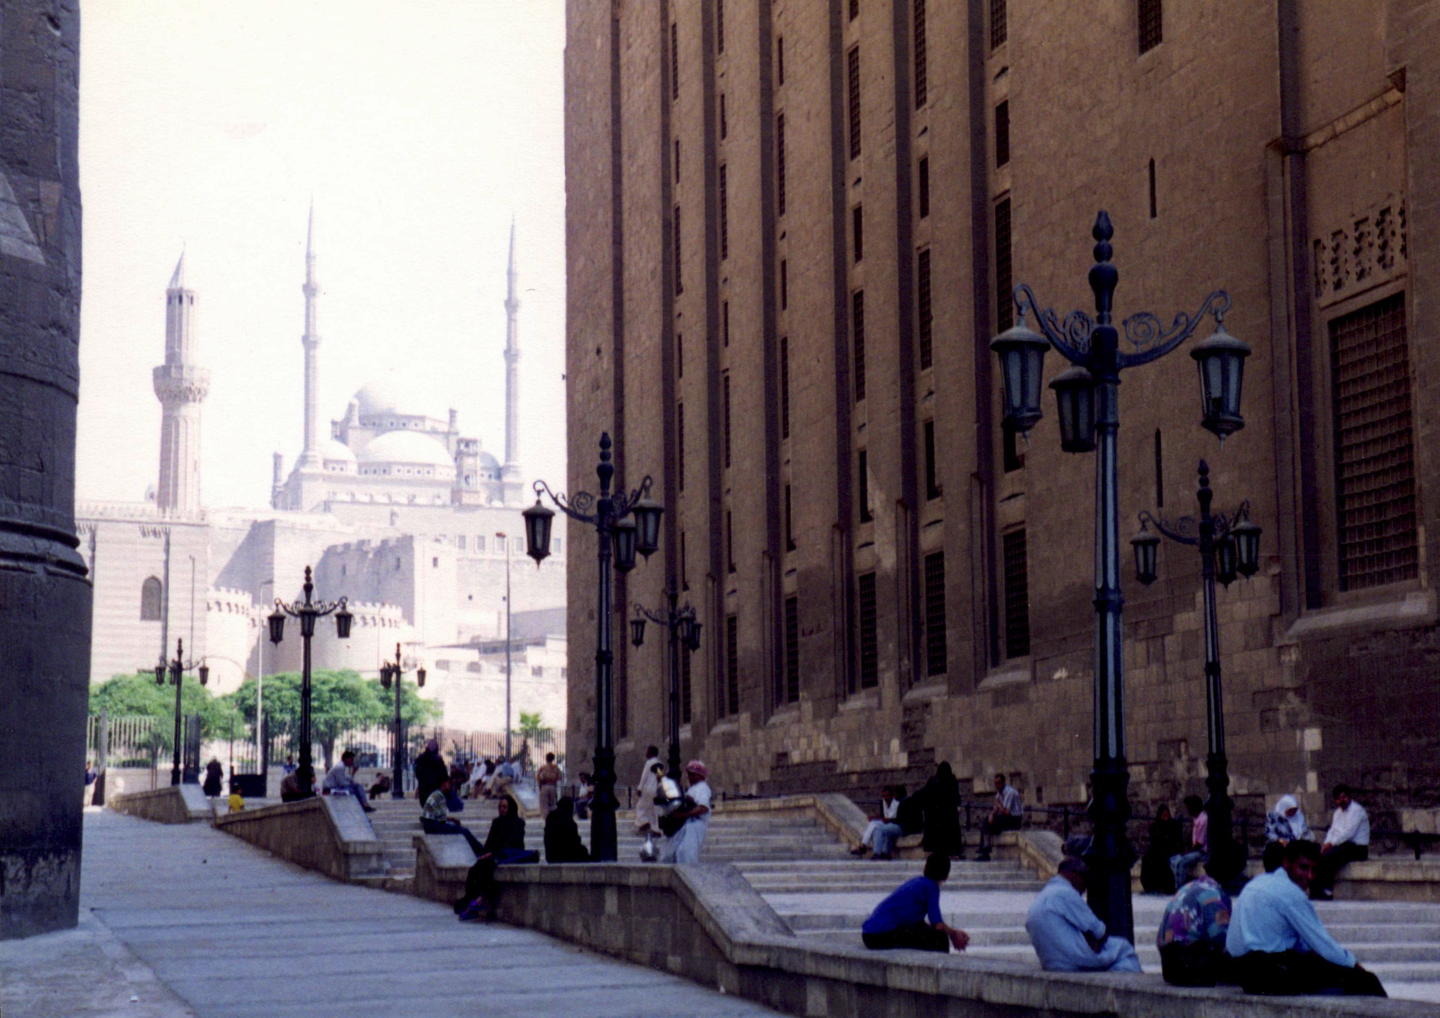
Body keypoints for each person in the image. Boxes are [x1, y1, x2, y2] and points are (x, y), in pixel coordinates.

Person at [1225, 839, 1385, 996]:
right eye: (1303, 868)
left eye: (1313, 870)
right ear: (1287, 863)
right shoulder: (1290, 892)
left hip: (1242, 971)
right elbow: (1321, 942)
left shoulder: (1257, 883)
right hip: (1270, 972)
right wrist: (1354, 965)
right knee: (1367, 981)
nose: (1309, 876)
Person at [1025, 856, 1142, 972]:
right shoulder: (1066, 893)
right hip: (1071, 962)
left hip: (1051, 962)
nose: (1085, 887)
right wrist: (1094, 940)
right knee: (1124, 948)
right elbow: (1098, 930)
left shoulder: (1045, 894)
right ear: (1074, 875)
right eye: (1085, 879)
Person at [861, 853, 970, 952]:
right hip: (881, 935)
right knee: (939, 938)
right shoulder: (931, 887)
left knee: (925, 933)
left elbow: (919, 923)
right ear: (946, 875)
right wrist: (953, 933)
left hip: (869, 935)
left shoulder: (917, 882)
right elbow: (938, 925)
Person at [1156, 855, 1235, 986]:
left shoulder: (1185, 889)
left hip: (1169, 965)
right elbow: (1221, 936)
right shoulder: (1213, 893)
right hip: (1192, 965)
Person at [454, 794, 532, 920]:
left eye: (505, 807)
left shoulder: (518, 823)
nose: (502, 809)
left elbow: (514, 843)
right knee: (475, 869)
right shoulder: (497, 822)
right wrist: (487, 853)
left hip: (509, 855)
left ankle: (479, 900)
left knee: (487, 867)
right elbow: (490, 841)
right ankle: (473, 900)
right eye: (500, 807)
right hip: (494, 855)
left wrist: (495, 853)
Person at [1314, 784, 1369, 901]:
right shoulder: (1337, 813)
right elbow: (1333, 831)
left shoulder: (1357, 810)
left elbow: (1349, 833)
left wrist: (1331, 844)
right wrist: (1326, 843)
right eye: (1339, 799)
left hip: (1358, 848)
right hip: (1343, 845)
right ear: (1335, 800)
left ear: (1349, 797)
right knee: (1319, 854)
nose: (1342, 800)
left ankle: (1327, 890)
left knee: (1331, 856)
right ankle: (1316, 890)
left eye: (1344, 797)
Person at [421, 775, 484, 855]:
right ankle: (480, 852)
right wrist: (453, 821)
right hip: (433, 826)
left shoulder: (436, 794)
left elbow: (440, 816)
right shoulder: (439, 795)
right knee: (464, 831)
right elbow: (441, 819)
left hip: (431, 825)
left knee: (461, 829)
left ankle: (480, 850)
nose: (450, 786)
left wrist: (452, 820)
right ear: (444, 784)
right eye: (449, 783)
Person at [664, 760, 712, 864]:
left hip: (695, 825)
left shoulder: (702, 788)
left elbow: (703, 807)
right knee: (676, 852)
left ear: (700, 776)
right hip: (688, 825)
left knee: (687, 853)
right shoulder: (693, 788)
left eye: (692, 775)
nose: (689, 777)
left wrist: (683, 815)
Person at [919, 761, 963, 859]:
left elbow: (926, 795)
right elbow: (956, 797)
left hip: (935, 815)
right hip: (947, 815)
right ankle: (952, 852)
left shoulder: (933, 781)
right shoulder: (951, 780)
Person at [977, 773, 1023, 861]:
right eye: (995, 783)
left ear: (1003, 782)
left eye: (998, 783)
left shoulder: (1010, 793)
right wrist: (991, 815)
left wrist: (998, 804)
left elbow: (1006, 812)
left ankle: (985, 851)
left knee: (987, 824)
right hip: (1006, 818)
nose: (997, 786)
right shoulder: (999, 794)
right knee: (986, 821)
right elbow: (996, 808)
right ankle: (984, 850)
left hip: (1014, 819)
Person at [1140, 804, 1184, 894]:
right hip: (1157, 850)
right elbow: (1155, 840)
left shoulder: (1173, 825)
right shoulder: (1155, 825)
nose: (1165, 816)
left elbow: (1176, 840)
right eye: (1163, 814)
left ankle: (1166, 887)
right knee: (1147, 860)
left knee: (1163, 861)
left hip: (1170, 850)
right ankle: (1151, 887)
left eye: (1166, 814)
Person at [852, 786, 903, 858]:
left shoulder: (897, 804)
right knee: (873, 824)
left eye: (887, 796)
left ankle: (864, 846)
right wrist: (875, 817)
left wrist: (884, 819)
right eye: (883, 796)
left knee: (877, 828)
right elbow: (883, 815)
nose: (885, 798)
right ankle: (865, 846)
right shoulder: (883, 803)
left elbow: (896, 818)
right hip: (885, 822)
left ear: (892, 796)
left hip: (893, 824)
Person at [1170, 795, 1208, 891]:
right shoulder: (1196, 819)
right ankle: (1178, 883)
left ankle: (1180, 888)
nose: (1188, 810)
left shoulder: (1203, 820)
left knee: (1182, 862)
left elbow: (1199, 843)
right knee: (1173, 860)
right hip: (1195, 849)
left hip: (1202, 851)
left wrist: (1187, 852)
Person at [544, 796, 591, 863]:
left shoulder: (551, 818)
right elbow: (573, 841)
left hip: (552, 855)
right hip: (562, 854)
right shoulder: (566, 821)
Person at [634, 748, 662, 837]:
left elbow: (644, 777)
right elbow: (660, 776)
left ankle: (643, 823)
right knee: (653, 809)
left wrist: (639, 788)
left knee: (640, 806)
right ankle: (656, 829)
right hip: (655, 789)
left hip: (647, 789)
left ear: (650, 753)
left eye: (647, 751)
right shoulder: (659, 764)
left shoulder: (648, 763)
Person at [413, 739, 447, 805]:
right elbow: (443, 774)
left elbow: (417, 771)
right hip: (435, 789)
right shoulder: (438, 759)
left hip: (424, 789)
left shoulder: (421, 758)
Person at [537, 752, 563, 817]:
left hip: (544, 786)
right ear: (553, 759)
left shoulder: (542, 768)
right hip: (553, 786)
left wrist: (540, 785)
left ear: (546, 759)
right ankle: (553, 817)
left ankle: (545, 817)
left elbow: (538, 777)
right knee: (553, 803)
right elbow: (560, 777)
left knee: (544, 804)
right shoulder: (556, 768)